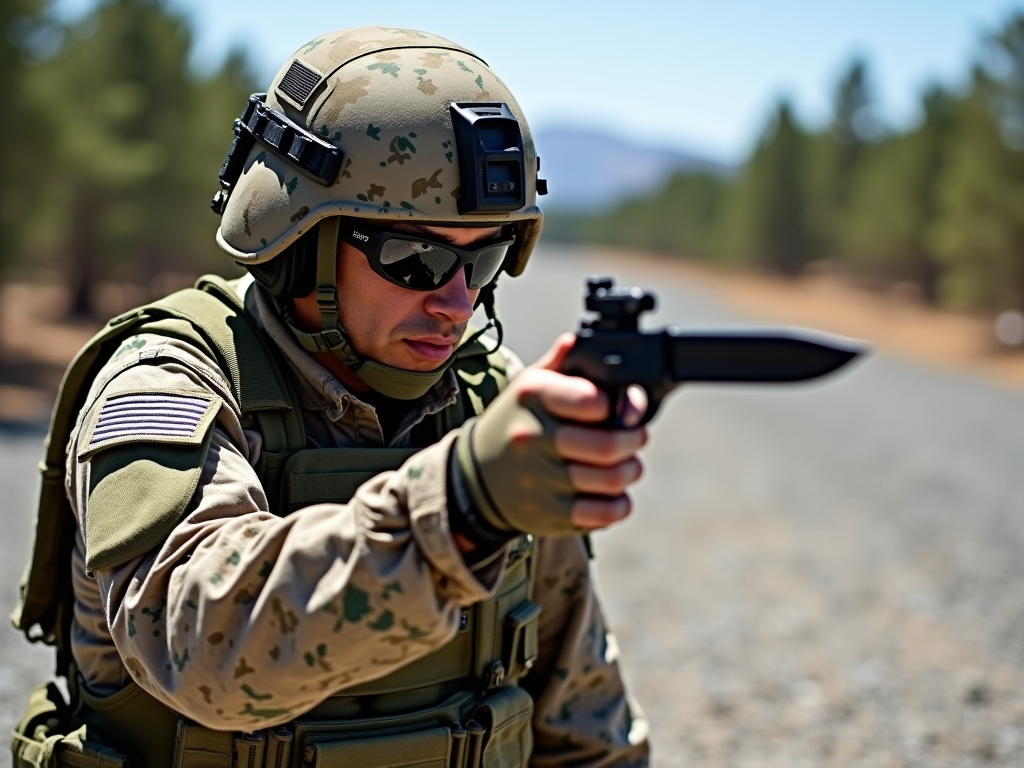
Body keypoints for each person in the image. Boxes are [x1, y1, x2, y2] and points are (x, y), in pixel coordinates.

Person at [12, 26, 650, 768]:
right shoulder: (168, 378)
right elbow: (196, 647)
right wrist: (464, 506)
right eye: (416, 257)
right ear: (298, 240)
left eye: (487, 258)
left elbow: (580, 717)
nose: (455, 301)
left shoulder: (488, 398)